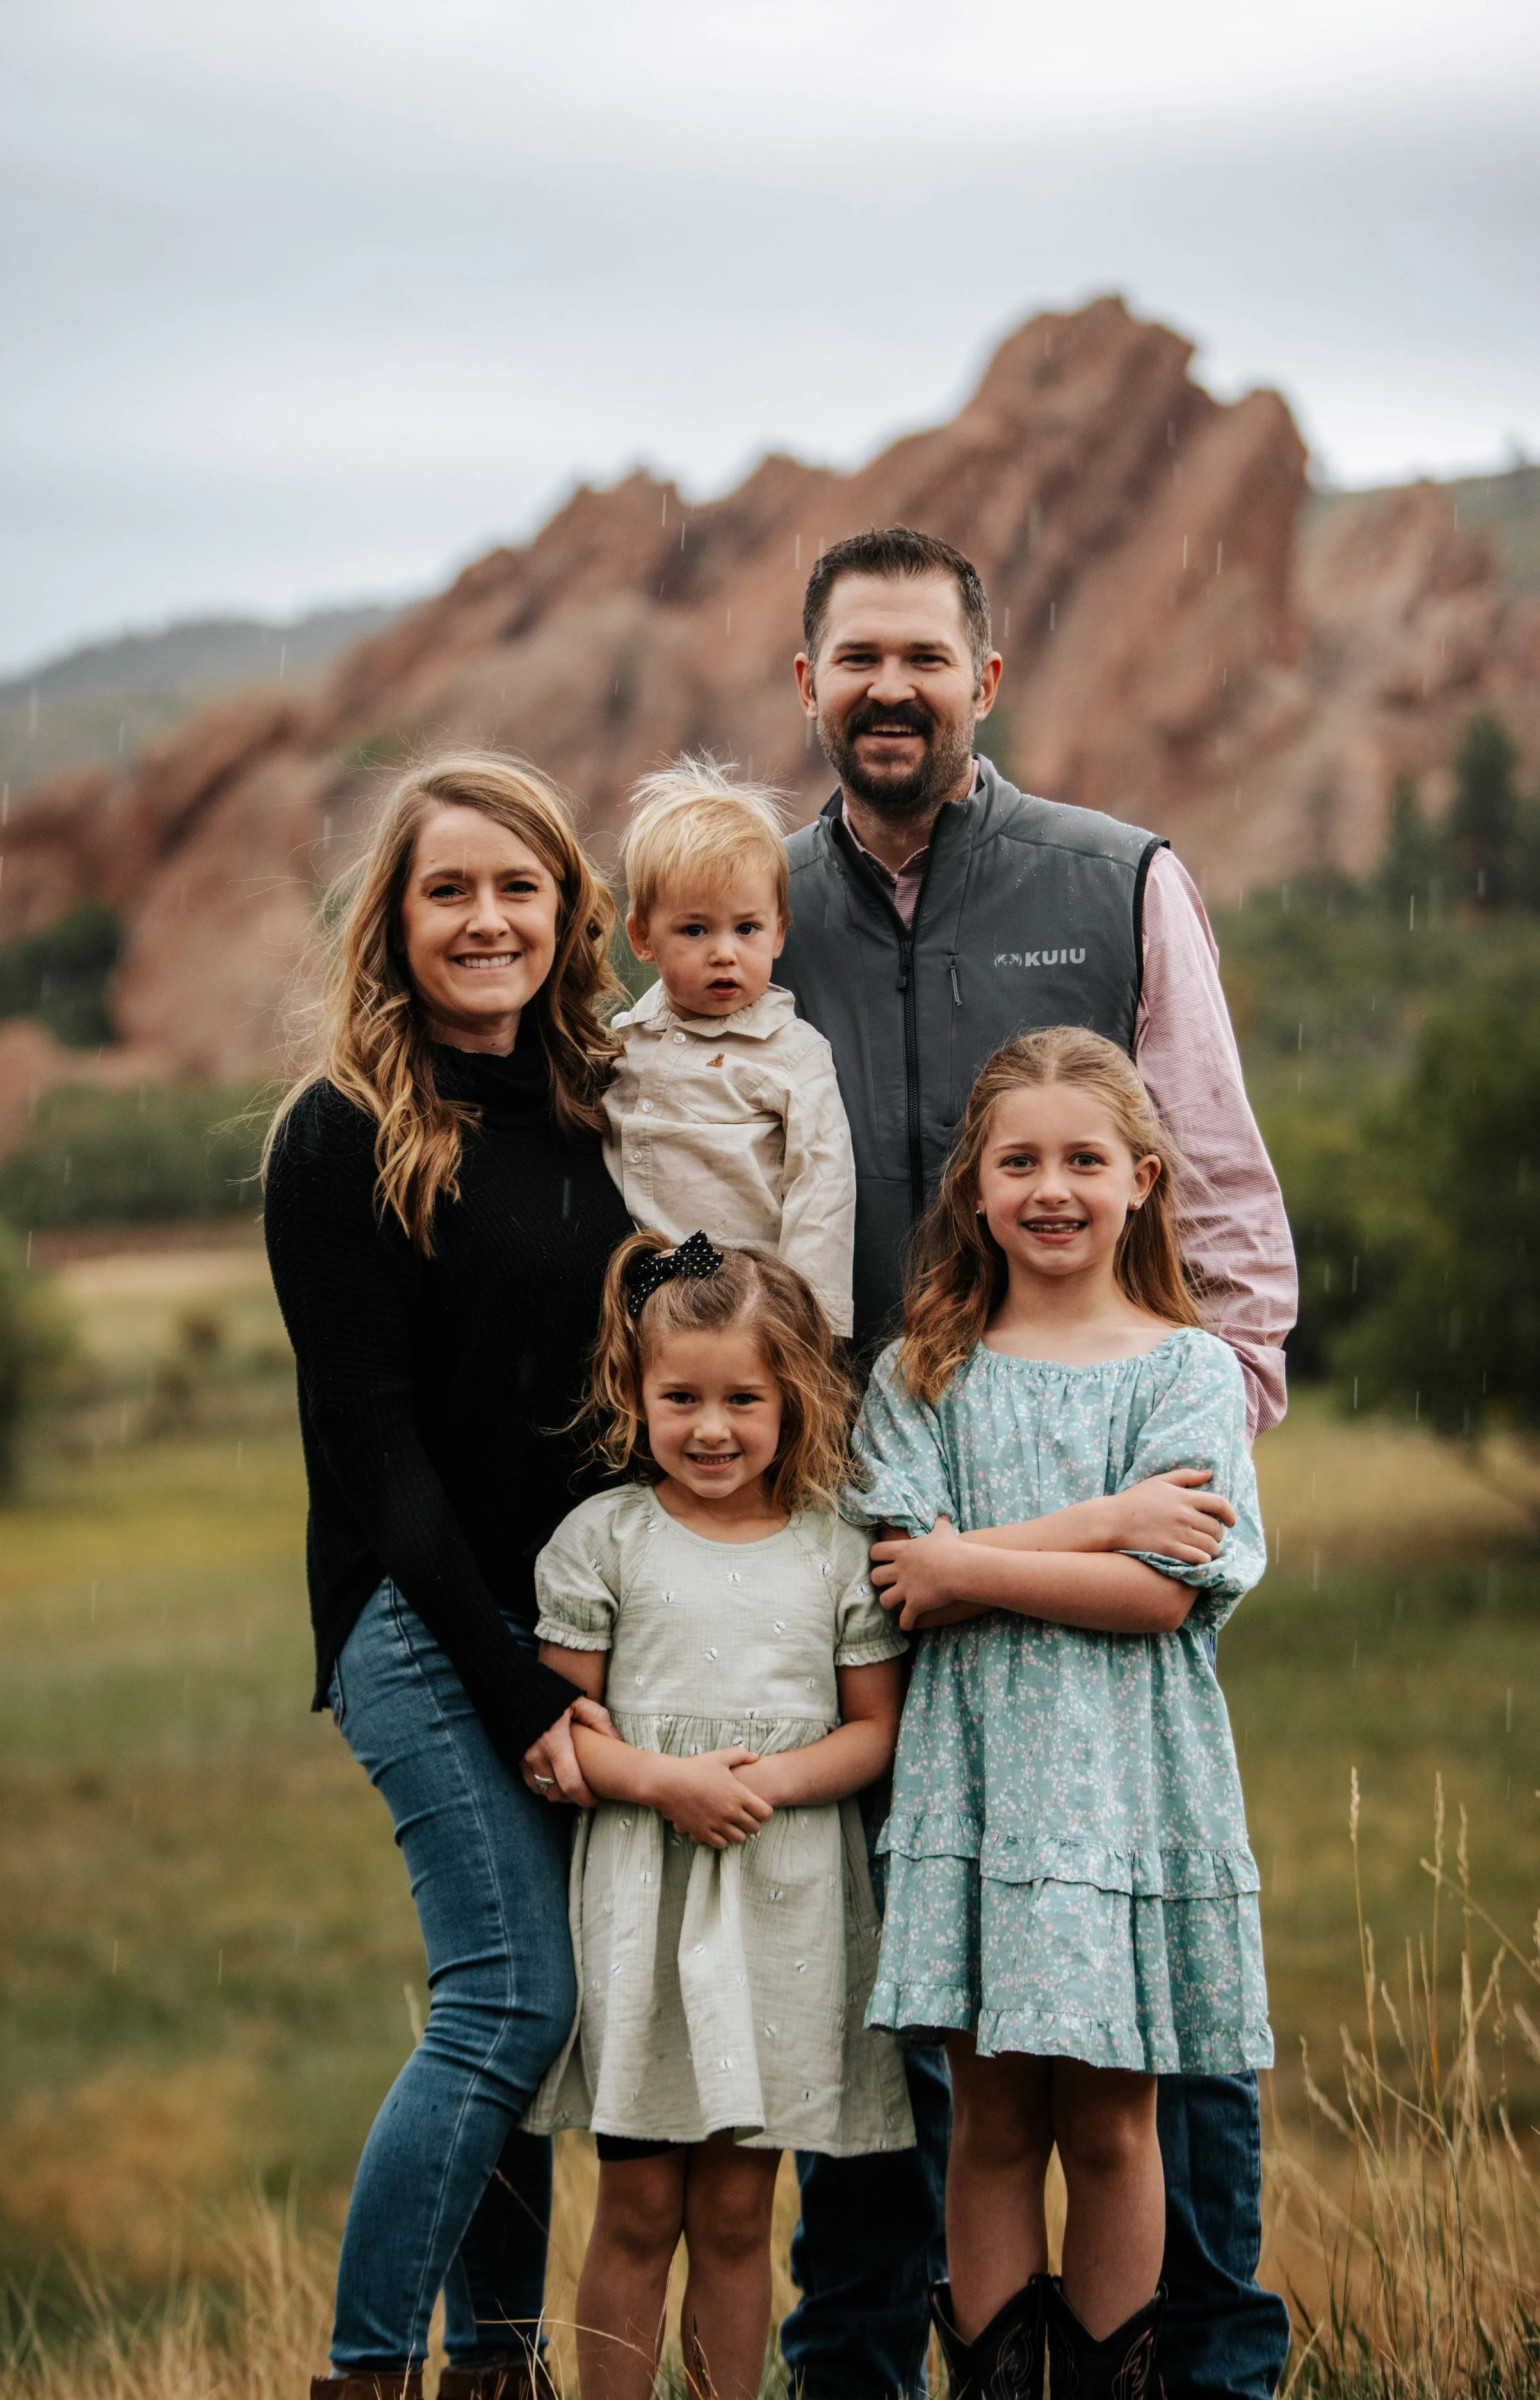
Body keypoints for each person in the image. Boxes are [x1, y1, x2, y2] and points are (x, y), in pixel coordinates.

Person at [776, 528, 1296, 2400]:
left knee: (1145, 2022)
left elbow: (1221, 1192)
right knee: (911, 1999)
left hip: (1125, 1535)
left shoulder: (1112, 879)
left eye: (923, 656)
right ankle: (873, 2363)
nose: (888, 689)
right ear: (809, 685)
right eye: (855, 660)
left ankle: (1200, 2366)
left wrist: (1191, 1455)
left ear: (981, 681)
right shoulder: (761, 906)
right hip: (864, 1518)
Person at [262, 754, 636, 2400]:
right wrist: (522, 1696)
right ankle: (366, 2376)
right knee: (509, 1992)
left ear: (566, 911)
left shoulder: (597, 1117)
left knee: (538, 2023)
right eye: (447, 891)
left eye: (518, 888)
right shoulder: (341, 1135)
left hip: (571, 1628)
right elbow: (377, 1452)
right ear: (394, 923)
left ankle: (497, 2366)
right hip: (417, 1625)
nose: (486, 920)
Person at [851, 1028, 1271, 2400]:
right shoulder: (922, 1372)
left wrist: (969, 1560)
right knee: (986, 2123)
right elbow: (902, 1582)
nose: (1051, 1188)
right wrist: (1095, 1523)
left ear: (1141, 1178)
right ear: (971, 1186)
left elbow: (1159, 1597)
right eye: (1016, 1159)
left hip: (1123, 1791)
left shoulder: (1188, 1372)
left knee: (1109, 2121)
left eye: (1082, 1159)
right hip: (973, 1792)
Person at [523, 1230, 914, 2400]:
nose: (710, 1427)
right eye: (679, 1396)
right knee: (639, 2200)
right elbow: (561, 1733)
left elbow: (872, 1730)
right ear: (635, 1394)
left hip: (780, 1905)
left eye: (743, 1397)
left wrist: (764, 1785)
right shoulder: (605, 1540)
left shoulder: (837, 1549)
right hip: (646, 1901)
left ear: (793, 1397)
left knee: (740, 2209)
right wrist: (671, 1783)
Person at [603, 758, 856, 1334]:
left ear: (779, 931)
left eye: (747, 929)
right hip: (634, 1315)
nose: (725, 953)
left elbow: (823, 1192)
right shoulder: (621, 1046)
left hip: (746, 1316)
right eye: (695, 930)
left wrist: (811, 1329)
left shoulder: (792, 1054)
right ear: (642, 937)